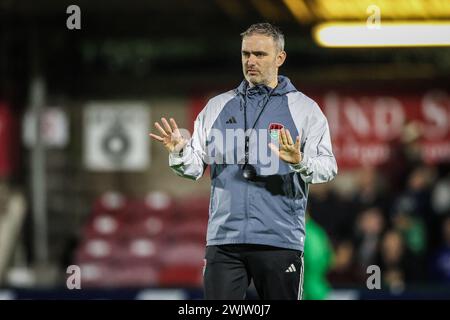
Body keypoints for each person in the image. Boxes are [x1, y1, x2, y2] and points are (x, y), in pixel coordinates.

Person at [150, 23, 337, 300]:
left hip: (279, 241)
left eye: (260, 54)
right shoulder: (216, 107)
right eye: (245, 54)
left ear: (280, 58)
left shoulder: (305, 110)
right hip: (224, 241)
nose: (250, 61)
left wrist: (300, 161)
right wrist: (179, 151)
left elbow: (328, 168)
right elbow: (192, 169)